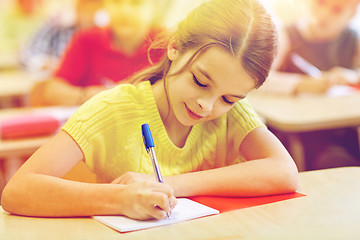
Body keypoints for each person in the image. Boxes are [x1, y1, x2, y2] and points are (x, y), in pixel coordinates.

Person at [1, 0, 298, 220]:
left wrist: (168, 185)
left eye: (230, 98)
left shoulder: (232, 113)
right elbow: (18, 191)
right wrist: (119, 199)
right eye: (200, 81)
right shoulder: (114, 108)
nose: (207, 106)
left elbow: (284, 171)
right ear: (175, 47)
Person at [260, 0, 360, 170]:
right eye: (320, 3)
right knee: (333, 162)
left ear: (350, 15)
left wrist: (352, 76)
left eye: (337, 10)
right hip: (304, 137)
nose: (324, 14)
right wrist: (301, 84)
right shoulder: (284, 36)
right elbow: (260, 79)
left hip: (343, 131)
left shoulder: (352, 39)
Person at [30, 0, 166, 106]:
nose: (125, 11)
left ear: (154, 7)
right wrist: (94, 95)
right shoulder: (86, 40)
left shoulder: (167, 44)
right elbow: (52, 91)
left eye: (136, 3)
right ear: (105, 5)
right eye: (116, 2)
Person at [19, 0, 105, 73]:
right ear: (78, 5)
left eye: (94, 7)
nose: (89, 12)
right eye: (86, 6)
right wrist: (43, 63)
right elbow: (28, 54)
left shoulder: (102, 31)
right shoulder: (57, 24)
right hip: (55, 80)